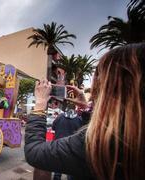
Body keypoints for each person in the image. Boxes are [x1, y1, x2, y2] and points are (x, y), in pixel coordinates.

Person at [24, 43, 145, 180]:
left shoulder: (100, 142)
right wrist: (86, 107)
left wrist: (40, 103)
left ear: (113, 89)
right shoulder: (132, 135)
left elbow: (34, 153)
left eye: (99, 78)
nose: (94, 87)